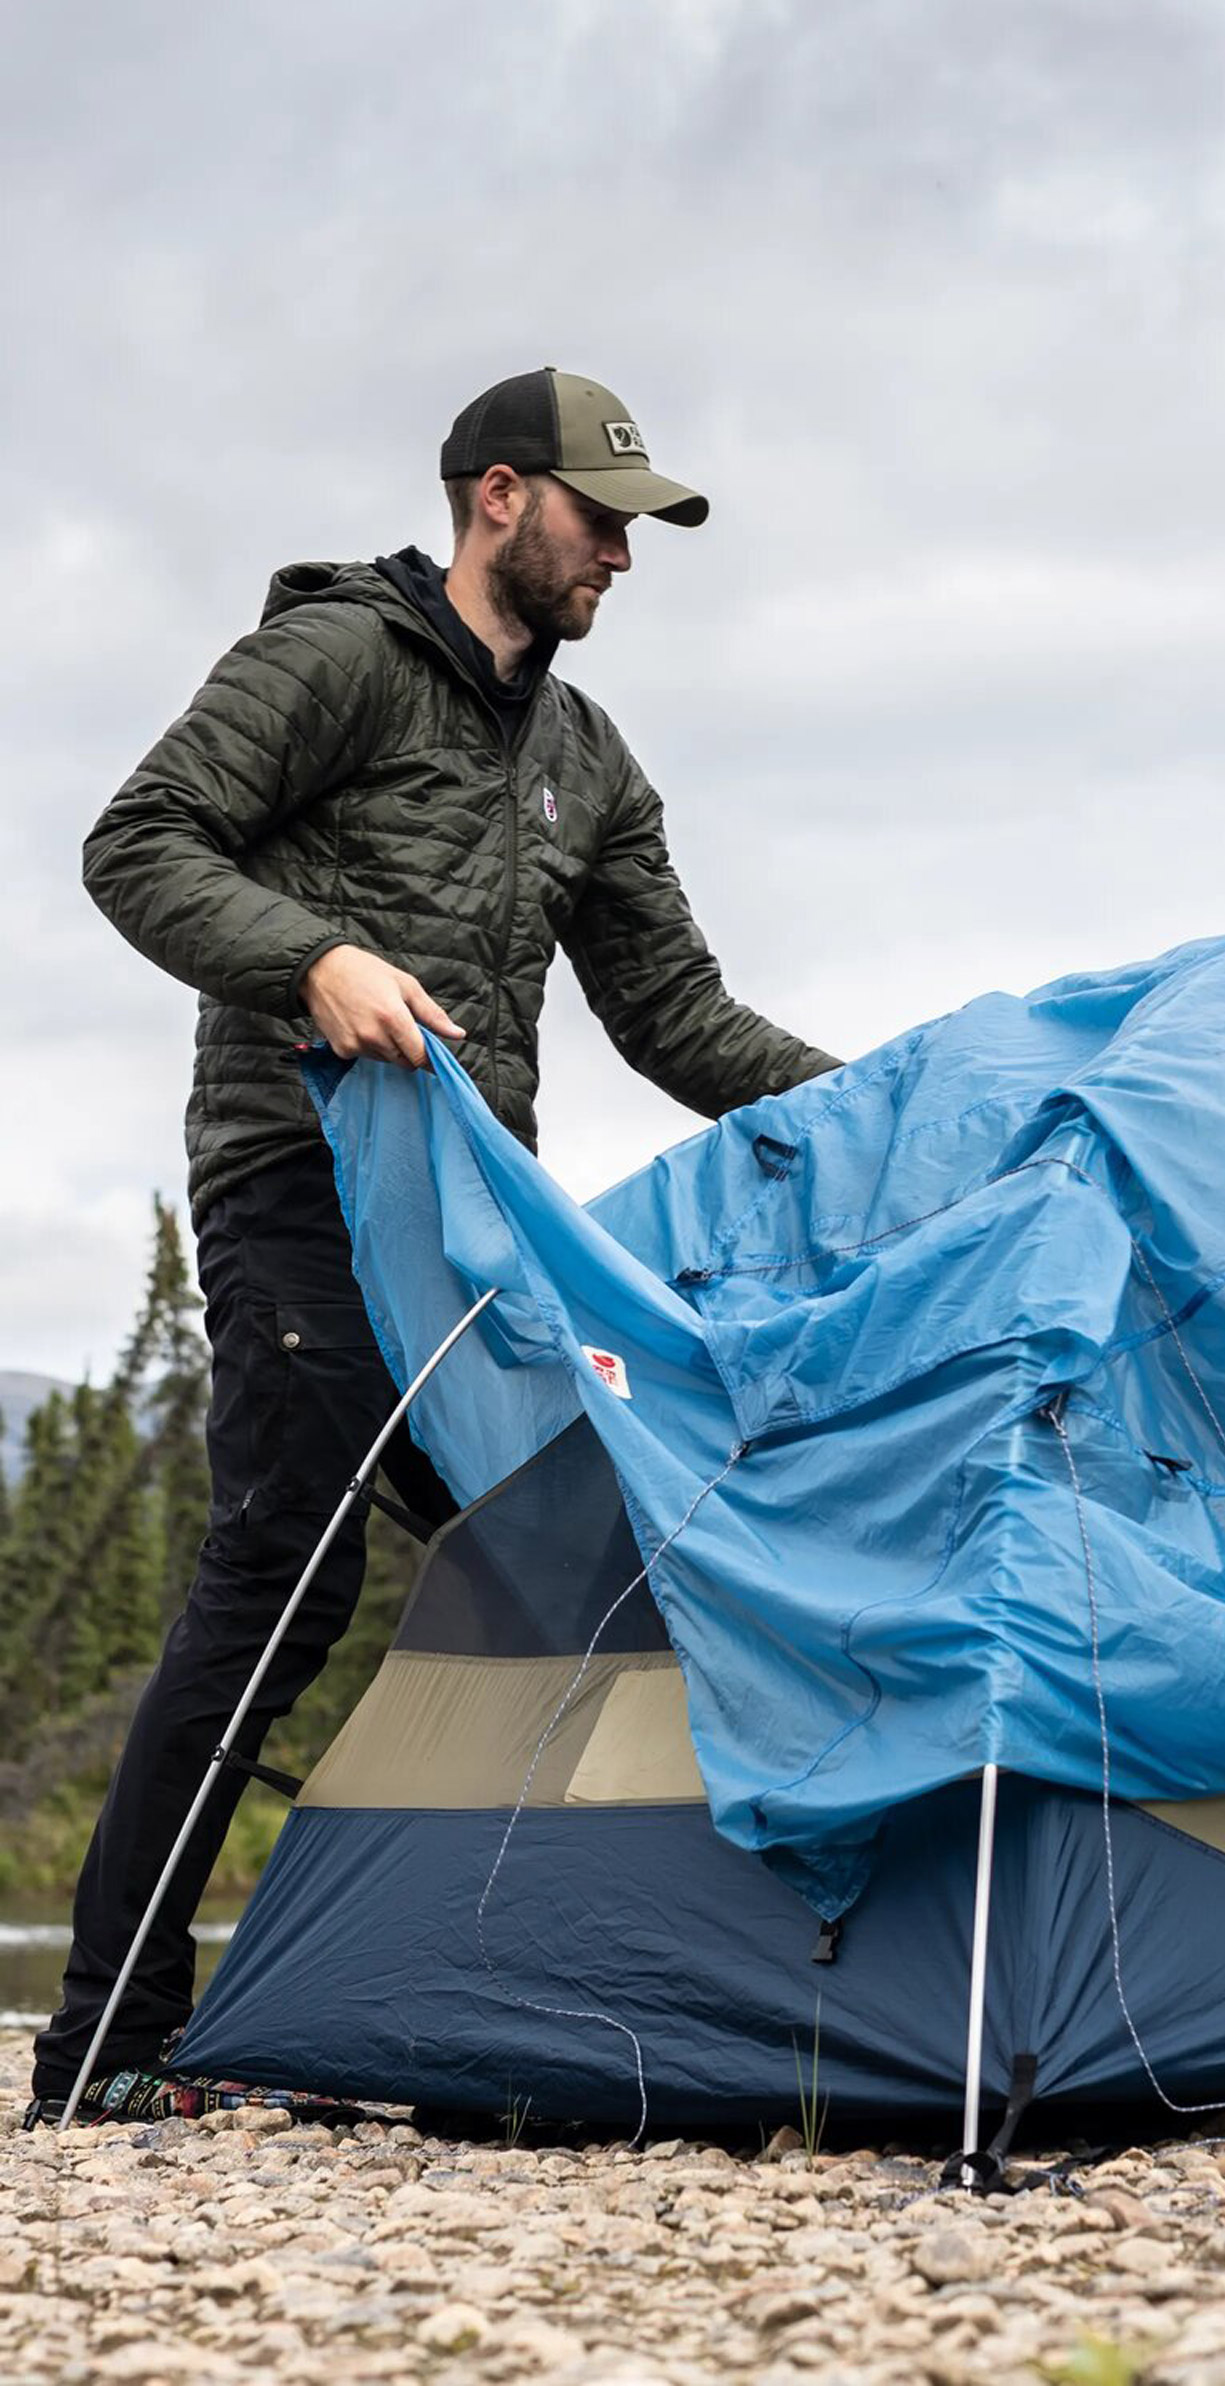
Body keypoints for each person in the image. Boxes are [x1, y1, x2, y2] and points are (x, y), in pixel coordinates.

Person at [26, 369, 839, 2125]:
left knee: (578, 1549)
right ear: (499, 496)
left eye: (636, 527)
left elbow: (680, 1019)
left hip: (480, 1229)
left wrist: (878, 1105)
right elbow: (136, 841)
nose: (624, 553)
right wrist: (310, 957)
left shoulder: (589, 761)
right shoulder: (335, 657)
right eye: (603, 516)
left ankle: (552, 2005)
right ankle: (107, 2041)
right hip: (298, 1178)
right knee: (285, 1573)